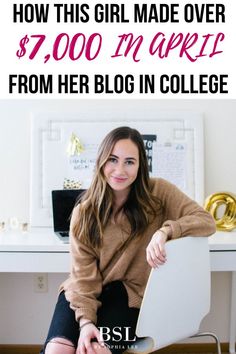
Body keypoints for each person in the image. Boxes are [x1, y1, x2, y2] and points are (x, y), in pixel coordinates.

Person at [40, 126, 216, 354]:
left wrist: (165, 231)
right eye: (113, 159)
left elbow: (205, 220)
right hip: (84, 293)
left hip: (130, 297)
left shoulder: (158, 192)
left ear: (140, 164)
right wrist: (86, 323)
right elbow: (84, 278)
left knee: (94, 351)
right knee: (58, 350)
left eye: (129, 161)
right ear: (101, 161)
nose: (120, 170)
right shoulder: (84, 213)